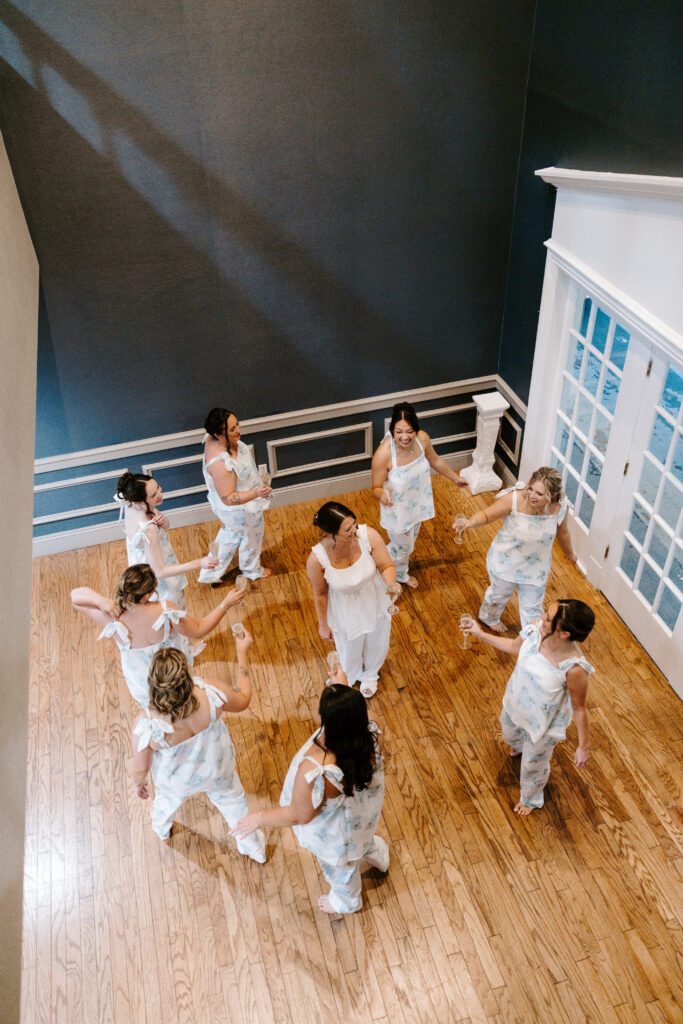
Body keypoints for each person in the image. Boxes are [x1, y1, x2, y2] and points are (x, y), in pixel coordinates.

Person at [232, 679, 388, 912]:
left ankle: (347, 902)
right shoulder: (373, 727)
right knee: (363, 840)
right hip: (362, 814)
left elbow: (299, 814)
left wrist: (258, 818)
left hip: (336, 838)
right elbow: (359, 713)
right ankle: (379, 857)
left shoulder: (316, 768)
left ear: (330, 722)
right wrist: (343, 693)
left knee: (342, 871)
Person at [131, 642, 266, 862]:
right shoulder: (210, 694)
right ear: (185, 678)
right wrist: (242, 652)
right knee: (235, 804)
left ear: (154, 686)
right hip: (218, 767)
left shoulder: (147, 725)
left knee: (165, 802)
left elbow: (140, 767)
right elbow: (243, 700)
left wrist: (139, 784)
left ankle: (161, 828)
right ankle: (254, 848)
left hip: (177, 781)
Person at [464, 599, 595, 814]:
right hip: (515, 704)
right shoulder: (536, 630)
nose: (541, 618)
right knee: (509, 736)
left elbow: (580, 708)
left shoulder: (574, 668)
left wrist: (584, 746)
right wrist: (479, 634)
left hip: (542, 726)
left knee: (532, 767)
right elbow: (514, 646)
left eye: (548, 619)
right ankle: (519, 743)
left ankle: (531, 798)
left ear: (564, 634)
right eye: (546, 614)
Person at [70, 564, 242, 708]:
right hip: (172, 671)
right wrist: (225, 604)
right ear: (147, 595)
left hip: (145, 683)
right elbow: (198, 630)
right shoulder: (166, 610)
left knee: (156, 708)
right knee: (180, 700)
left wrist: (101, 601)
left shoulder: (112, 618)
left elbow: (75, 597)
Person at [462, 467, 576, 632]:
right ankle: (489, 617)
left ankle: (533, 637)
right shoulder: (514, 499)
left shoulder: (559, 507)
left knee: (533, 608)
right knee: (498, 595)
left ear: (553, 496)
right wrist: (469, 523)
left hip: (536, 568)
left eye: (539, 493)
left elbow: (563, 532)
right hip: (506, 561)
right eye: (531, 489)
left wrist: (569, 552)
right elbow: (487, 515)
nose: (531, 495)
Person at [371, 402, 468, 588]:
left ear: (416, 429)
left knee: (408, 544)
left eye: (409, 431)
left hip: (418, 504)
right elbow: (375, 487)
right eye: (398, 432)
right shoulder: (383, 454)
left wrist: (455, 478)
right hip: (396, 509)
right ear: (392, 430)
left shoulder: (422, 439)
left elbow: (435, 460)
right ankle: (386, 568)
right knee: (404, 547)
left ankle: (392, 566)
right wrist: (382, 495)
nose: (404, 437)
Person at [306, 501, 396, 698]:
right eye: (347, 529)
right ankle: (350, 674)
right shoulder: (317, 559)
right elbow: (320, 593)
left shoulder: (368, 535)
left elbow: (386, 565)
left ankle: (371, 674)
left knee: (377, 641)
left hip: (374, 601)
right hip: (344, 610)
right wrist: (323, 625)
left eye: (354, 524)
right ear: (331, 533)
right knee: (348, 648)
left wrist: (390, 585)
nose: (355, 530)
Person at [116, 471, 218, 609]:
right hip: (162, 586)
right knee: (177, 618)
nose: (160, 494)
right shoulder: (149, 529)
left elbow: (167, 525)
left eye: (158, 487)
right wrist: (199, 563)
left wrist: (163, 521)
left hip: (141, 568)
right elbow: (159, 572)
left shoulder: (130, 504)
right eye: (153, 495)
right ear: (140, 502)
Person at [199, 407, 273, 586]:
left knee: (231, 534)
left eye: (237, 424)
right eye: (232, 430)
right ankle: (251, 569)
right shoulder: (220, 464)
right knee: (252, 534)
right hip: (240, 508)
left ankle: (210, 573)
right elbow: (229, 498)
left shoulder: (211, 438)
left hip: (234, 510)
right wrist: (256, 493)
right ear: (218, 434)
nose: (238, 430)